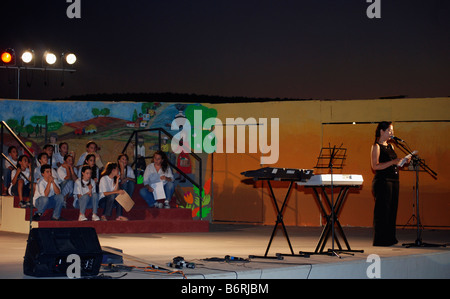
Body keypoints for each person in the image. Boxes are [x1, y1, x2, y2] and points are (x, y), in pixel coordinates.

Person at [370, 121, 410, 246]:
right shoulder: (376, 146)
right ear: (382, 131)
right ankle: (381, 239)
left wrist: (402, 162)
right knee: (383, 211)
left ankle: (390, 238)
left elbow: (394, 162)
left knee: (392, 210)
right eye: (389, 131)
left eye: (392, 131)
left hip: (394, 180)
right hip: (383, 182)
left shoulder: (391, 146)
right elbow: (375, 166)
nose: (392, 133)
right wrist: (393, 162)